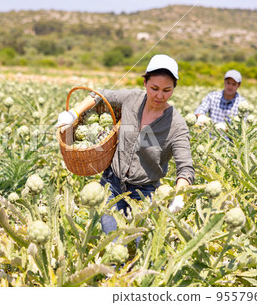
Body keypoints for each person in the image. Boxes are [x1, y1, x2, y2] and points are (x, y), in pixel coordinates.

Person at [56, 54, 195, 237]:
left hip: (144, 193)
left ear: (174, 89)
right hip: (111, 184)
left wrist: (179, 195)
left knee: (139, 247)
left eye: (167, 90)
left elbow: (185, 168)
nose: (159, 95)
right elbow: (100, 95)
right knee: (111, 241)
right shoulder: (132, 99)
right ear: (145, 82)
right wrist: (74, 113)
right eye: (154, 88)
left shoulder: (176, 125)